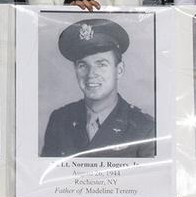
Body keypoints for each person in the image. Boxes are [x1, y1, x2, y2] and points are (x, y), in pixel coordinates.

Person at [42, 18, 156, 158]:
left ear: (119, 70)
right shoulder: (59, 120)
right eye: (83, 65)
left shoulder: (145, 128)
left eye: (101, 64)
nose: (91, 75)